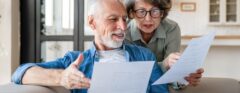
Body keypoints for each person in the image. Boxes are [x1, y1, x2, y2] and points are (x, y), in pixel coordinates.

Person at [12, 0, 202, 93]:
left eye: (124, 20)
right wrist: (61, 77)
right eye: (113, 19)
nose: (122, 27)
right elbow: (20, 73)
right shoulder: (76, 61)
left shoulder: (144, 56)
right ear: (92, 23)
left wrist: (180, 75)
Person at [124, 0, 203, 88]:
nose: (148, 19)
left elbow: (172, 74)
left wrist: (183, 78)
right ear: (132, 13)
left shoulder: (172, 29)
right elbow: (132, 76)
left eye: (155, 11)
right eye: (141, 12)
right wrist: (164, 64)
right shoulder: (123, 30)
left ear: (162, 13)